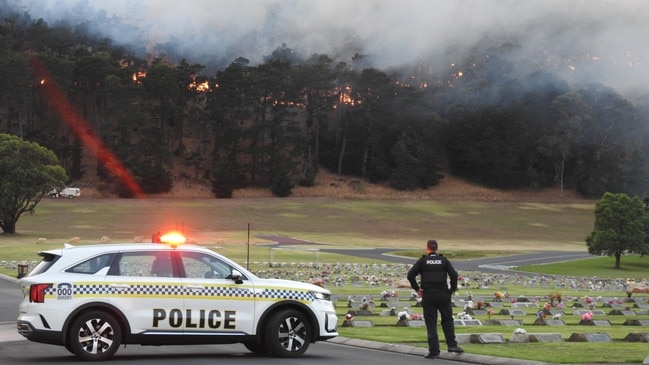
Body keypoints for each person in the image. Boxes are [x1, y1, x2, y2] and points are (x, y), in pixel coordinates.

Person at [407, 239, 464, 359]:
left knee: (431, 323)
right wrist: (452, 289)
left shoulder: (422, 261)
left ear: (427, 248)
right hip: (443, 294)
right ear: (436, 249)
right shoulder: (444, 260)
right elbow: (454, 275)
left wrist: (417, 289)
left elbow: (410, 275)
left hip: (428, 294)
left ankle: (434, 351)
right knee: (447, 319)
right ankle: (452, 345)